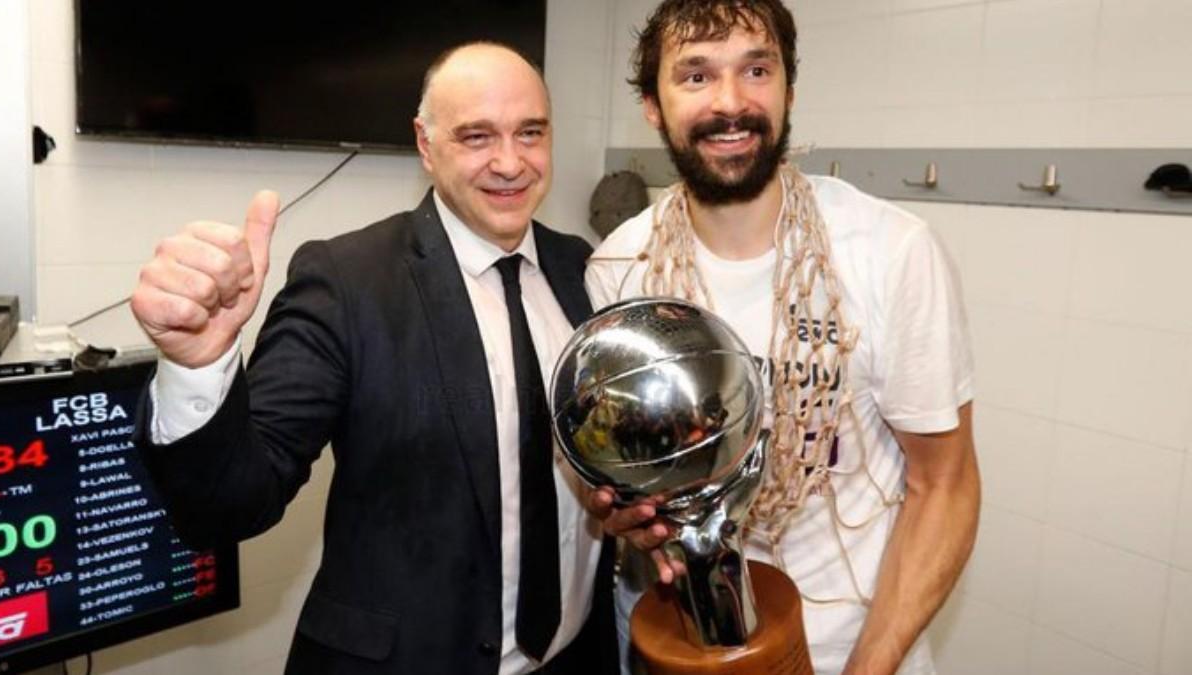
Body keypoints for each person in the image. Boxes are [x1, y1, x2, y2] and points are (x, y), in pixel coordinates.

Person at [130, 43, 616, 675]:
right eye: (476, 136)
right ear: (426, 142)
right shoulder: (345, 281)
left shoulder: (581, 267)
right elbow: (229, 504)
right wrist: (197, 363)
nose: (510, 162)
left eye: (531, 133)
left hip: (578, 655)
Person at [584, 2, 980, 674]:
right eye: (696, 76)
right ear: (653, 105)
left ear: (788, 88)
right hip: (684, 648)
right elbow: (627, 483)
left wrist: (867, 665)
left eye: (756, 69)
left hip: (852, 649)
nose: (731, 103)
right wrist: (620, 514)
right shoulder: (620, 270)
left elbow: (945, 484)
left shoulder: (890, 251)